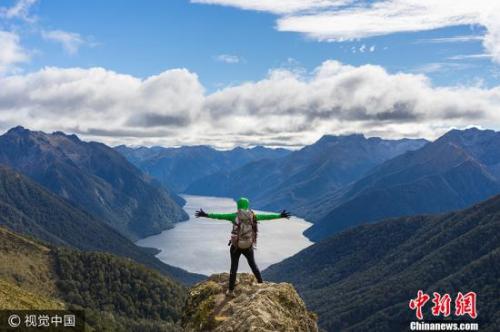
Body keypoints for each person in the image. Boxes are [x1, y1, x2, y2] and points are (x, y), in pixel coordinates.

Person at [195, 197, 291, 295]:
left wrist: (205, 214)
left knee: (234, 267)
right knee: (253, 265)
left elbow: (219, 216)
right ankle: (261, 284)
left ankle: (231, 291)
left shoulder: (234, 216)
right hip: (248, 246)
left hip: (236, 246)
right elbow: (267, 217)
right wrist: (280, 215)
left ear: (238, 206)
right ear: (247, 205)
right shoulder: (253, 216)